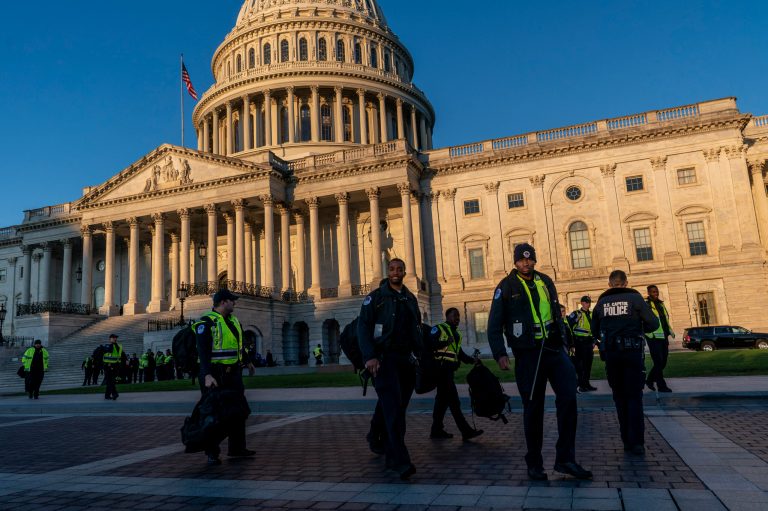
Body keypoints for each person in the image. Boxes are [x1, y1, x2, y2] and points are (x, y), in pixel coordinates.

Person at [488, 243, 592, 481]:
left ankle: (565, 459)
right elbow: (494, 324)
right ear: (515, 262)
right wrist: (499, 353)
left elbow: (556, 313)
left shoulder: (545, 281)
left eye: (529, 260)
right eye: (521, 260)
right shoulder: (506, 286)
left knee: (568, 398)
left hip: (554, 350)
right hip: (528, 354)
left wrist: (564, 342)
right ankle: (534, 462)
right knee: (533, 408)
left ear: (534, 261)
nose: (526, 263)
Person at [357, 258, 422, 480]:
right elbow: (363, 328)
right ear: (388, 272)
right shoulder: (375, 298)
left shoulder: (410, 298)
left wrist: (420, 355)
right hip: (384, 360)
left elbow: (416, 329)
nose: (396, 272)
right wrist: (370, 357)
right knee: (394, 410)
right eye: (392, 269)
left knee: (397, 408)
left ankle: (377, 437)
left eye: (399, 269)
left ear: (404, 272)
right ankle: (399, 462)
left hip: (405, 359)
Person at [592, 270, 659, 455]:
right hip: (632, 354)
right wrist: (637, 326)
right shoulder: (635, 299)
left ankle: (626, 441)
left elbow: (594, 330)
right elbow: (654, 324)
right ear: (626, 282)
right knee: (634, 397)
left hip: (612, 355)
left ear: (610, 284)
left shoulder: (601, 303)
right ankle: (637, 442)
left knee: (619, 397)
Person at [194, 289, 255, 465]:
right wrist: (206, 374)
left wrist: (247, 361)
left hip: (233, 373)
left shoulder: (234, 321)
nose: (234, 303)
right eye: (232, 300)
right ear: (222, 302)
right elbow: (203, 351)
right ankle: (212, 451)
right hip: (215, 375)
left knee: (239, 411)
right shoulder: (207, 322)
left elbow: (239, 345)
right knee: (214, 414)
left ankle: (237, 448)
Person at [428, 308, 484, 441]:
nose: (457, 318)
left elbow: (459, 354)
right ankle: (466, 431)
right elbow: (429, 344)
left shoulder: (457, 333)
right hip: (440, 371)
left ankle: (436, 430)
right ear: (447, 316)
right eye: (454, 316)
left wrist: (472, 360)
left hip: (449, 372)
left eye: (458, 316)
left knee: (441, 402)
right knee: (454, 402)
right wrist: (444, 342)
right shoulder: (439, 328)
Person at [645, 285, 674, 392]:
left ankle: (649, 380)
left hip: (663, 336)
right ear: (648, 293)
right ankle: (661, 386)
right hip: (653, 338)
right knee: (658, 362)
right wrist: (647, 332)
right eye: (653, 292)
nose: (655, 293)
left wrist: (668, 332)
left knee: (663, 362)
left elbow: (665, 319)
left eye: (656, 291)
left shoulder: (661, 304)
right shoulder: (646, 305)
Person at [567, 296, 598, 393]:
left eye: (589, 302)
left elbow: (594, 328)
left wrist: (594, 341)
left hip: (589, 342)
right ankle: (580, 385)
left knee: (588, 365)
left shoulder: (592, 314)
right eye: (586, 302)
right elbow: (569, 326)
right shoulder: (576, 314)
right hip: (579, 343)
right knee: (580, 366)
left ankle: (587, 384)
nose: (588, 304)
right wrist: (571, 344)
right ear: (582, 303)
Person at [102, 334, 123, 400]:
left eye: (115, 338)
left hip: (115, 366)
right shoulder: (106, 346)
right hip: (108, 366)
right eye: (113, 338)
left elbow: (120, 355)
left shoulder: (118, 346)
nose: (115, 339)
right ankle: (112, 394)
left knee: (111, 381)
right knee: (110, 381)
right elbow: (103, 356)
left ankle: (112, 394)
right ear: (110, 339)